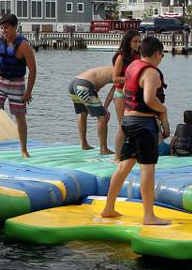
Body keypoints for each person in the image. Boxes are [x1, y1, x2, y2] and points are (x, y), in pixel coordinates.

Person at [100, 36, 170, 225]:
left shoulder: (132, 66)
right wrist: (163, 110)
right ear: (156, 53)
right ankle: (149, 216)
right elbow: (149, 99)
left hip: (128, 121)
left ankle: (108, 208)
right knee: (148, 169)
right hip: (143, 124)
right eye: (162, 54)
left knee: (124, 166)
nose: (162, 58)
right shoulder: (151, 72)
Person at [0, 13, 36, 157]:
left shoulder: (24, 46)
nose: (3, 31)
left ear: (15, 27)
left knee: (19, 116)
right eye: (1, 28)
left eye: (6, 28)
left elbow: (33, 70)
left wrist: (28, 92)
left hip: (17, 82)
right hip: (0, 79)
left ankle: (24, 150)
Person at [68, 65, 116, 154]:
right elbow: (113, 91)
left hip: (74, 83)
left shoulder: (112, 68)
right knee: (102, 117)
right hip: (84, 86)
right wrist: (105, 108)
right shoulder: (124, 73)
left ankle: (84, 144)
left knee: (82, 113)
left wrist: (100, 106)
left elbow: (96, 87)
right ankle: (104, 149)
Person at [110, 29, 142, 154]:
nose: (138, 44)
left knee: (134, 124)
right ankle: (117, 156)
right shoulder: (121, 57)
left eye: (139, 41)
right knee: (123, 126)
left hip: (133, 94)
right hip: (120, 95)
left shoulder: (138, 55)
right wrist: (132, 79)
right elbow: (115, 78)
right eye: (135, 41)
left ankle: (131, 152)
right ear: (128, 41)